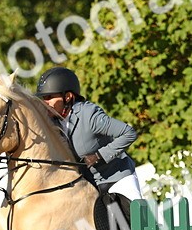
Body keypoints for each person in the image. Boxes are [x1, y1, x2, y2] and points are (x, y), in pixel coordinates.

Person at [36, 67, 144, 201]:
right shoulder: (52, 122)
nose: (44, 103)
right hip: (87, 183)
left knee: (137, 216)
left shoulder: (89, 115)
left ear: (68, 97)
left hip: (117, 177)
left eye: (49, 97)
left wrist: (99, 155)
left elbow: (129, 133)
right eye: (43, 98)